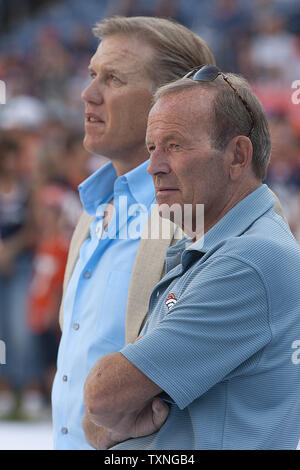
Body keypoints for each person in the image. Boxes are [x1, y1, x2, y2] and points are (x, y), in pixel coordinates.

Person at [83, 66, 300, 450]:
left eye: (175, 145)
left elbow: (102, 396)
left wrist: (115, 412)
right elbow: (94, 422)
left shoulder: (249, 259)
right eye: (152, 148)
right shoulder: (210, 248)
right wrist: (112, 419)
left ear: (237, 156)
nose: (154, 166)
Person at [52, 16, 217, 450]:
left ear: (174, 99)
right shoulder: (93, 210)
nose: (88, 94)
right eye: (91, 75)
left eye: (113, 79)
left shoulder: (207, 215)